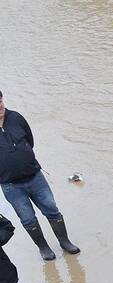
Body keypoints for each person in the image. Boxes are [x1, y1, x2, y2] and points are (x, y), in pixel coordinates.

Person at [0, 90, 79, 260]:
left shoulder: (16, 118)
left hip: (35, 177)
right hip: (10, 185)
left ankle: (65, 241)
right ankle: (43, 248)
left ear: (2, 99)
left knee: (52, 209)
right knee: (27, 218)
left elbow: (30, 140)